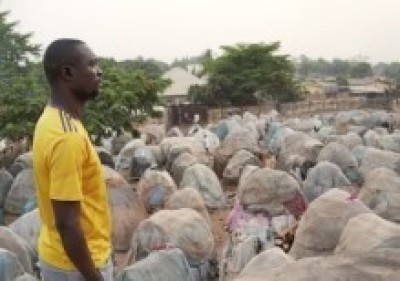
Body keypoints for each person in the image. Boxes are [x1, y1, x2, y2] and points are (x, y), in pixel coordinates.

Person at [32, 39, 112, 281]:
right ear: (68, 73)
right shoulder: (67, 136)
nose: (99, 71)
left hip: (62, 258)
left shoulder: (52, 119)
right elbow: (67, 224)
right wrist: (94, 277)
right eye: (92, 65)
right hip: (76, 267)